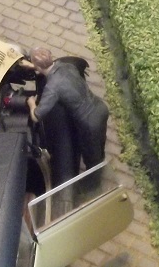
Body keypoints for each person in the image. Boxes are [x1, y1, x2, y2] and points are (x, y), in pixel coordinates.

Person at [26, 47, 109, 177]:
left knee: (91, 158)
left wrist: (31, 103)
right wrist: (34, 66)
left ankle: (95, 179)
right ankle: (101, 156)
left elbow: (36, 116)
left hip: (89, 122)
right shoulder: (67, 65)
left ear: (38, 67)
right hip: (100, 108)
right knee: (100, 141)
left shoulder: (52, 87)